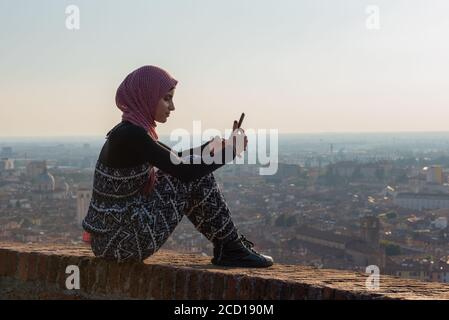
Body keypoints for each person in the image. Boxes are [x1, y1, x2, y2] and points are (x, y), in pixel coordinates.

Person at [82, 65, 273, 268]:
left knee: (189, 174)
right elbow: (183, 170)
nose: (172, 107)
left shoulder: (127, 131)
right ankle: (230, 247)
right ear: (146, 96)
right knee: (196, 177)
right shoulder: (132, 135)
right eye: (166, 98)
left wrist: (214, 146)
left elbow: (172, 159)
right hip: (121, 243)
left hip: (109, 241)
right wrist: (231, 151)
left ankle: (230, 246)